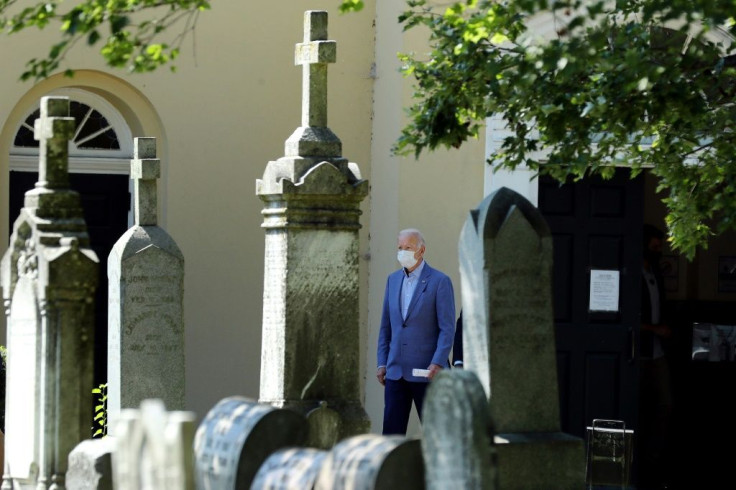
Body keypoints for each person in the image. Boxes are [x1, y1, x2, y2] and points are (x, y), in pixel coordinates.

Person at [376, 228, 455, 435]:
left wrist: (437, 362)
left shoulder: (439, 281)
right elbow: (386, 326)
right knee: (391, 434)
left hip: (427, 373)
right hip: (395, 372)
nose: (403, 252)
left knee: (436, 435)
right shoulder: (392, 280)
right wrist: (382, 362)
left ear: (421, 250)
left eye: (408, 248)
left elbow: (447, 329)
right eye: (400, 248)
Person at [638, 223, 673, 490]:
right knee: (638, 405)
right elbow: (629, 315)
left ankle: (651, 460)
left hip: (657, 351)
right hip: (638, 350)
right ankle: (636, 461)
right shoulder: (633, 274)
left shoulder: (655, 274)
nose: (658, 250)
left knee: (665, 404)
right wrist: (654, 329)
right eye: (655, 246)